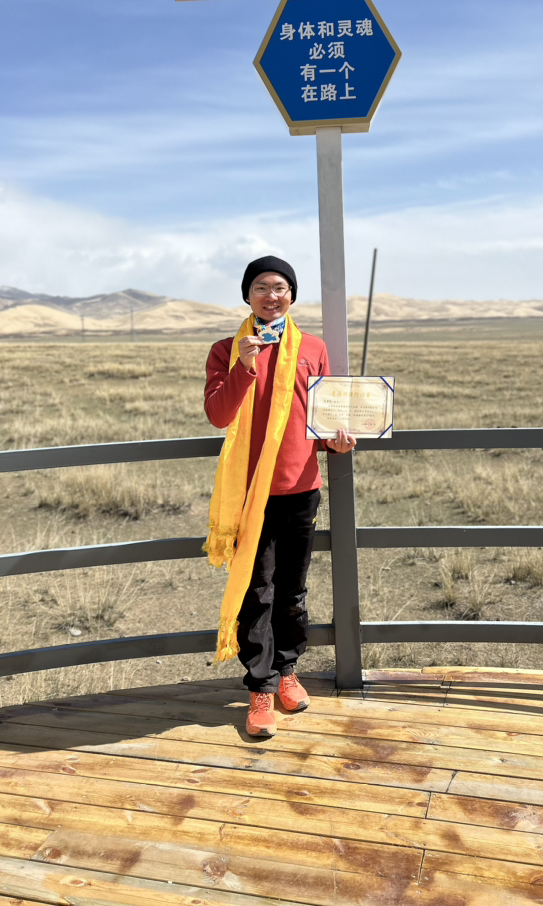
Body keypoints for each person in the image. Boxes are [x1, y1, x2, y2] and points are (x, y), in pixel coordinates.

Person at [204, 255, 355, 737]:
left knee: (292, 590)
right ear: (247, 295)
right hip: (249, 493)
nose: (272, 295)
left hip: (302, 488)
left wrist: (336, 440)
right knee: (258, 591)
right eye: (262, 287)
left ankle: (288, 671)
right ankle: (260, 690)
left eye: (281, 287)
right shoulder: (226, 350)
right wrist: (244, 365)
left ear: (292, 295)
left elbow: (322, 415)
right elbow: (218, 415)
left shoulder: (313, 348)